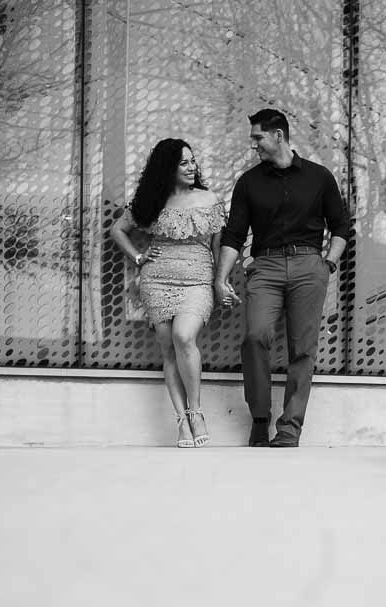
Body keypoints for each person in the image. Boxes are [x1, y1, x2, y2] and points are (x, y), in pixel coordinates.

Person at [214, 109, 352, 447]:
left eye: (257, 138)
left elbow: (341, 227)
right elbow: (234, 234)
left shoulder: (319, 177)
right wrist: (220, 277)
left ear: (278, 136)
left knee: (302, 349)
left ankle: (290, 427)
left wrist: (328, 264)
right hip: (266, 267)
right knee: (255, 337)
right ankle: (260, 418)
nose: (254, 146)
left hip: (309, 267)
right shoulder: (249, 182)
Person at [109, 138, 226, 448]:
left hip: (197, 280)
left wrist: (220, 281)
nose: (192, 167)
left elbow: (218, 247)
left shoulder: (210, 200)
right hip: (157, 281)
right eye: (183, 162)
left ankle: (196, 411)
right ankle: (181, 421)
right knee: (168, 350)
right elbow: (118, 231)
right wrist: (137, 257)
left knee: (184, 337)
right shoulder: (150, 201)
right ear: (167, 168)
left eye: (193, 161)